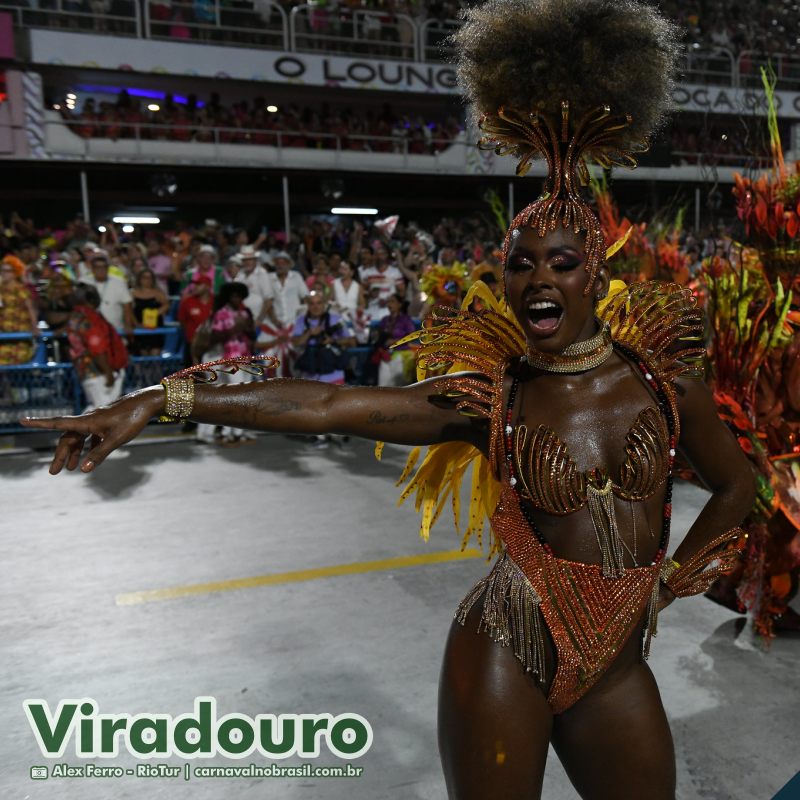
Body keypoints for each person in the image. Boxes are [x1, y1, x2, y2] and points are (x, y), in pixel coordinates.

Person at [22, 2, 756, 797]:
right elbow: (322, 407)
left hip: (618, 661)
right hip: (508, 644)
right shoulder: (491, 396)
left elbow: (736, 486)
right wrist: (158, 400)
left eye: (563, 262)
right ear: (503, 277)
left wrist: (667, 586)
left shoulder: (662, 379)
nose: (539, 279)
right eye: (520, 263)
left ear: (598, 277)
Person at [65, 283, 129, 412]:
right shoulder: (90, 319)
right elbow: (97, 349)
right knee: (103, 411)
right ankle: (75, 431)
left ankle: (76, 431)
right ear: (92, 299)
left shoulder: (74, 317)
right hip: (98, 371)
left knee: (96, 408)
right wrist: (108, 373)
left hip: (86, 369)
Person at [81, 250, 136, 339]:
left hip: (115, 329)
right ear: (92, 268)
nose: (101, 270)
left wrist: (128, 324)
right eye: (97, 267)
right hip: (91, 330)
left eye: (104, 267)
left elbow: (127, 304)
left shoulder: (119, 281)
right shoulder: (84, 282)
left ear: (108, 268)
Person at [371, 293, 416, 387]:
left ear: (399, 304)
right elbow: (378, 336)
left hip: (400, 354)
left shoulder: (405, 320)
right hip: (385, 355)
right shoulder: (384, 320)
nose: (389, 304)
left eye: (392, 302)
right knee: (383, 385)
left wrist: (395, 341)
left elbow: (412, 336)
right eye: (388, 302)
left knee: (399, 386)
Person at [131, 268, 170, 356]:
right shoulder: (133, 293)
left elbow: (166, 305)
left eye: (150, 278)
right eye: (144, 278)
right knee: (142, 354)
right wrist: (136, 324)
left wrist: (156, 313)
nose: (147, 280)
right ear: (139, 279)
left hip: (155, 328)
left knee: (155, 354)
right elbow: (130, 311)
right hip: (140, 328)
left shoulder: (158, 293)